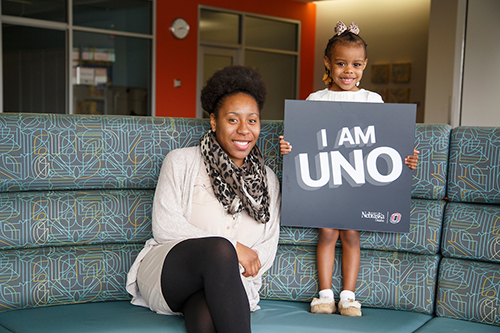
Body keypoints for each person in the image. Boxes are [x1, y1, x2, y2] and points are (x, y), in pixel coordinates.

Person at [126, 65, 281, 333]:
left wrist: (232, 273)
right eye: (233, 120)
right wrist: (234, 248)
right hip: (169, 274)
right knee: (219, 250)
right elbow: (165, 228)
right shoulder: (181, 162)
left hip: (232, 284)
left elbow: (266, 248)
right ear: (213, 121)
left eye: (252, 120)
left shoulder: (269, 180)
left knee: (206, 311)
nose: (244, 130)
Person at [279, 21, 419, 317]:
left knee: (351, 235)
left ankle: (348, 296)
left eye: (356, 64)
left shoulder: (373, 100)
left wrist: (406, 159)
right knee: (327, 233)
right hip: (327, 179)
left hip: (359, 178)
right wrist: (288, 149)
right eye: (341, 63)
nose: (348, 71)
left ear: (365, 65)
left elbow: (388, 141)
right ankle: (325, 294)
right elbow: (304, 141)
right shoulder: (315, 100)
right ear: (328, 62)